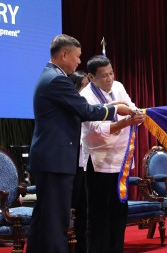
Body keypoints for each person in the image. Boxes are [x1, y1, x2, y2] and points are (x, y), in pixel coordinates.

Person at [27, 34, 135, 253]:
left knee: (44, 219)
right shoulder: (57, 79)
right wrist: (116, 109)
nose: (78, 62)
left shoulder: (49, 75)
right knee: (56, 221)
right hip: (55, 160)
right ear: (64, 54)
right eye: (76, 57)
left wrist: (113, 105)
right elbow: (85, 111)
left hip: (50, 159)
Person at [81, 55, 145, 253]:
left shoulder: (118, 86)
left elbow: (129, 104)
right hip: (98, 161)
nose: (109, 79)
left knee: (119, 213)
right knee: (99, 216)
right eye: (103, 76)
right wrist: (125, 122)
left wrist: (137, 113)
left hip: (121, 160)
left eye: (111, 73)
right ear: (91, 77)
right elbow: (94, 129)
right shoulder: (86, 96)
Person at [68, 70, 89, 252]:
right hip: (70, 165)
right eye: (83, 85)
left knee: (85, 211)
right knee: (69, 208)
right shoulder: (71, 105)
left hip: (86, 165)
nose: (87, 89)